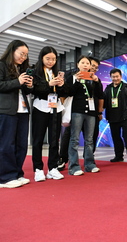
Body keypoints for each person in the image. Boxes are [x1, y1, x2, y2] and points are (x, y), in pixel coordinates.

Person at [58, 56, 103, 171]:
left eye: (87, 63)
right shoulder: (72, 77)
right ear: (78, 64)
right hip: (77, 111)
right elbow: (69, 92)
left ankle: (90, 164)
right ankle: (74, 166)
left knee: (89, 140)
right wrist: (77, 81)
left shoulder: (92, 78)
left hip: (91, 112)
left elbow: (99, 94)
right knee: (75, 139)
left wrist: (97, 81)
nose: (85, 65)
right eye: (82, 63)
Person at [0, 40, 33, 188]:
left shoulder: (21, 68)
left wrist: (29, 86)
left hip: (22, 110)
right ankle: (5, 178)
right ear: (12, 51)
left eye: (26, 55)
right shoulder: (1, 65)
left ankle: (17, 173)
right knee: (7, 144)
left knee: (21, 144)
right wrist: (17, 81)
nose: (24, 57)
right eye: (21, 53)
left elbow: (22, 90)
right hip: (7, 110)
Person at [31, 46, 66, 182]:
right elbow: (35, 90)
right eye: (48, 59)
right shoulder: (36, 73)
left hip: (55, 108)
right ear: (42, 58)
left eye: (53, 59)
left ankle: (53, 168)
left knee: (54, 140)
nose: (51, 61)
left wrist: (62, 85)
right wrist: (49, 84)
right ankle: (38, 169)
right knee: (38, 139)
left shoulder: (58, 73)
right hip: (40, 107)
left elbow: (64, 93)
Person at [104, 68, 127, 163]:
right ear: (110, 77)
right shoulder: (108, 89)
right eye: (113, 77)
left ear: (121, 76)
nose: (115, 78)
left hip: (125, 116)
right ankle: (118, 156)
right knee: (116, 137)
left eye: (117, 76)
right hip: (112, 117)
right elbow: (104, 102)